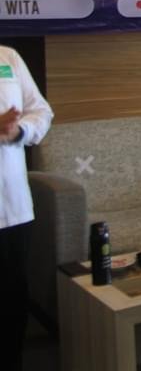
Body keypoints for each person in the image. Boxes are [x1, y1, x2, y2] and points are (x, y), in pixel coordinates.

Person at [0, 46, 54, 371]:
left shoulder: (8, 57)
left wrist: (19, 130)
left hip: (12, 205)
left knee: (11, 299)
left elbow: (41, 111)